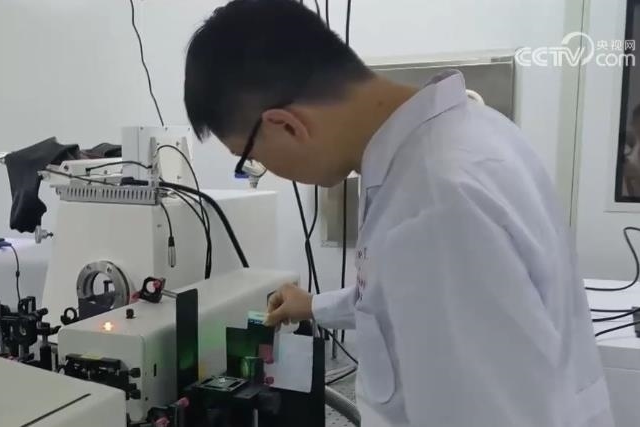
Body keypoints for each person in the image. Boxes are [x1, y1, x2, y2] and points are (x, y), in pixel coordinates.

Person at [182, 1, 614, 426]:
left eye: (251, 158)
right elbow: (402, 297)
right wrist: (313, 306)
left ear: (286, 125)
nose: (264, 170)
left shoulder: (435, 206)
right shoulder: (466, 136)